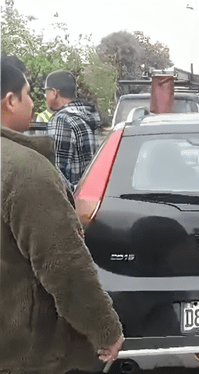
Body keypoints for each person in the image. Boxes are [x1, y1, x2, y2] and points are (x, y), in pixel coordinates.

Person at [1, 59, 124, 373]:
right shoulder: (25, 171)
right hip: (27, 351)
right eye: (28, 94)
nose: (33, 103)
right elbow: (62, 263)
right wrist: (104, 330)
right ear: (10, 101)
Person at [45, 70, 100, 190]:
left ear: (54, 93)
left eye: (46, 92)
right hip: (90, 194)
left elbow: (56, 174)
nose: (45, 97)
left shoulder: (62, 120)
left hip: (71, 201)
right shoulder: (89, 117)